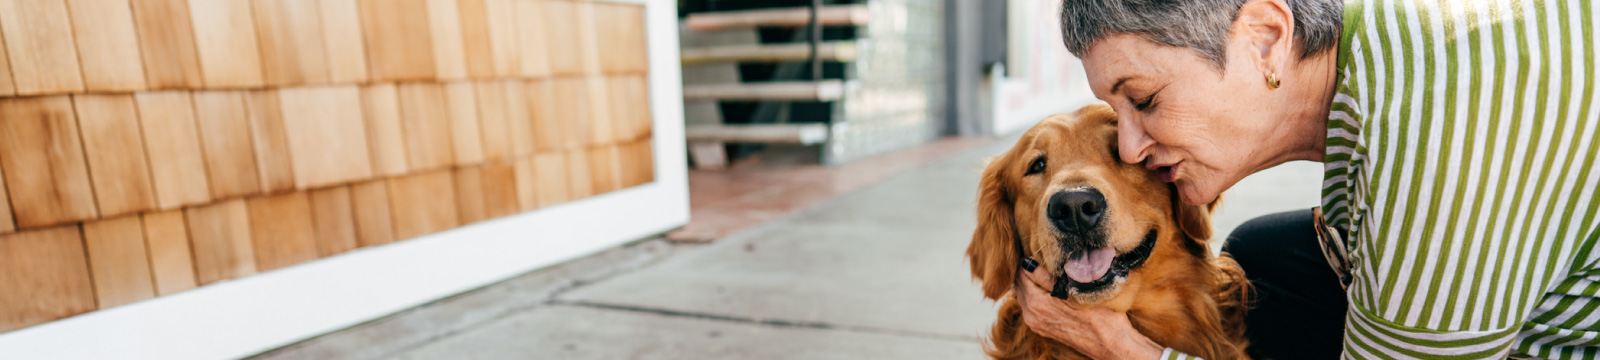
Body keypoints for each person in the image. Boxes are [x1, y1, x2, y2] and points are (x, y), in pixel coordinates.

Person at [1013, 0, 1600, 358]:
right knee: (1265, 256)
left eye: (1144, 99)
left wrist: (1135, 355)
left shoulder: (1444, 153)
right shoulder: (1386, 48)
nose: (1132, 146)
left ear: (1265, 38)